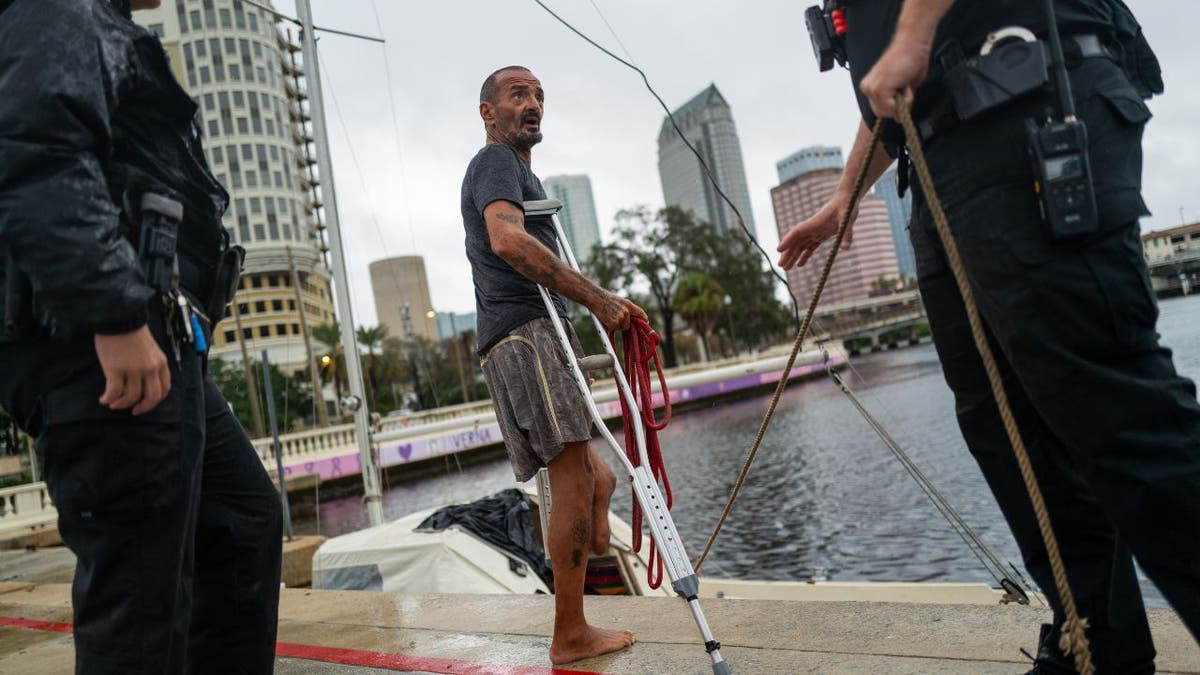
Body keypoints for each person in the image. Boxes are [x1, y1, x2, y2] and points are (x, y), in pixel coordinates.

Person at [779, 1, 1199, 672]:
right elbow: (893, 80)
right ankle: (1096, 645)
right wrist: (845, 198)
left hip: (1022, 97)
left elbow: (907, 47)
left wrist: (913, 37)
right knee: (1006, 427)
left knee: (1112, 407)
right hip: (942, 150)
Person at [0, 0, 282, 672]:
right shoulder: (57, 7)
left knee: (243, 522)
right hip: (102, 339)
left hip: (158, 333)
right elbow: (36, 153)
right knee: (141, 600)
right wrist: (115, 312)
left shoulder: (92, 17)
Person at [461, 65, 643, 665]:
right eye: (518, 95)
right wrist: (600, 300)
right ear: (488, 111)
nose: (533, 103)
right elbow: (508, 242)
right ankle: (570, 633)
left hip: (536, 333)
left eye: (539, 94)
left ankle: (588, 557)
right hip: (526, 333)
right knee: (571, 478)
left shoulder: (520, 172)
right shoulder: (495, 163)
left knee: (599, 478)